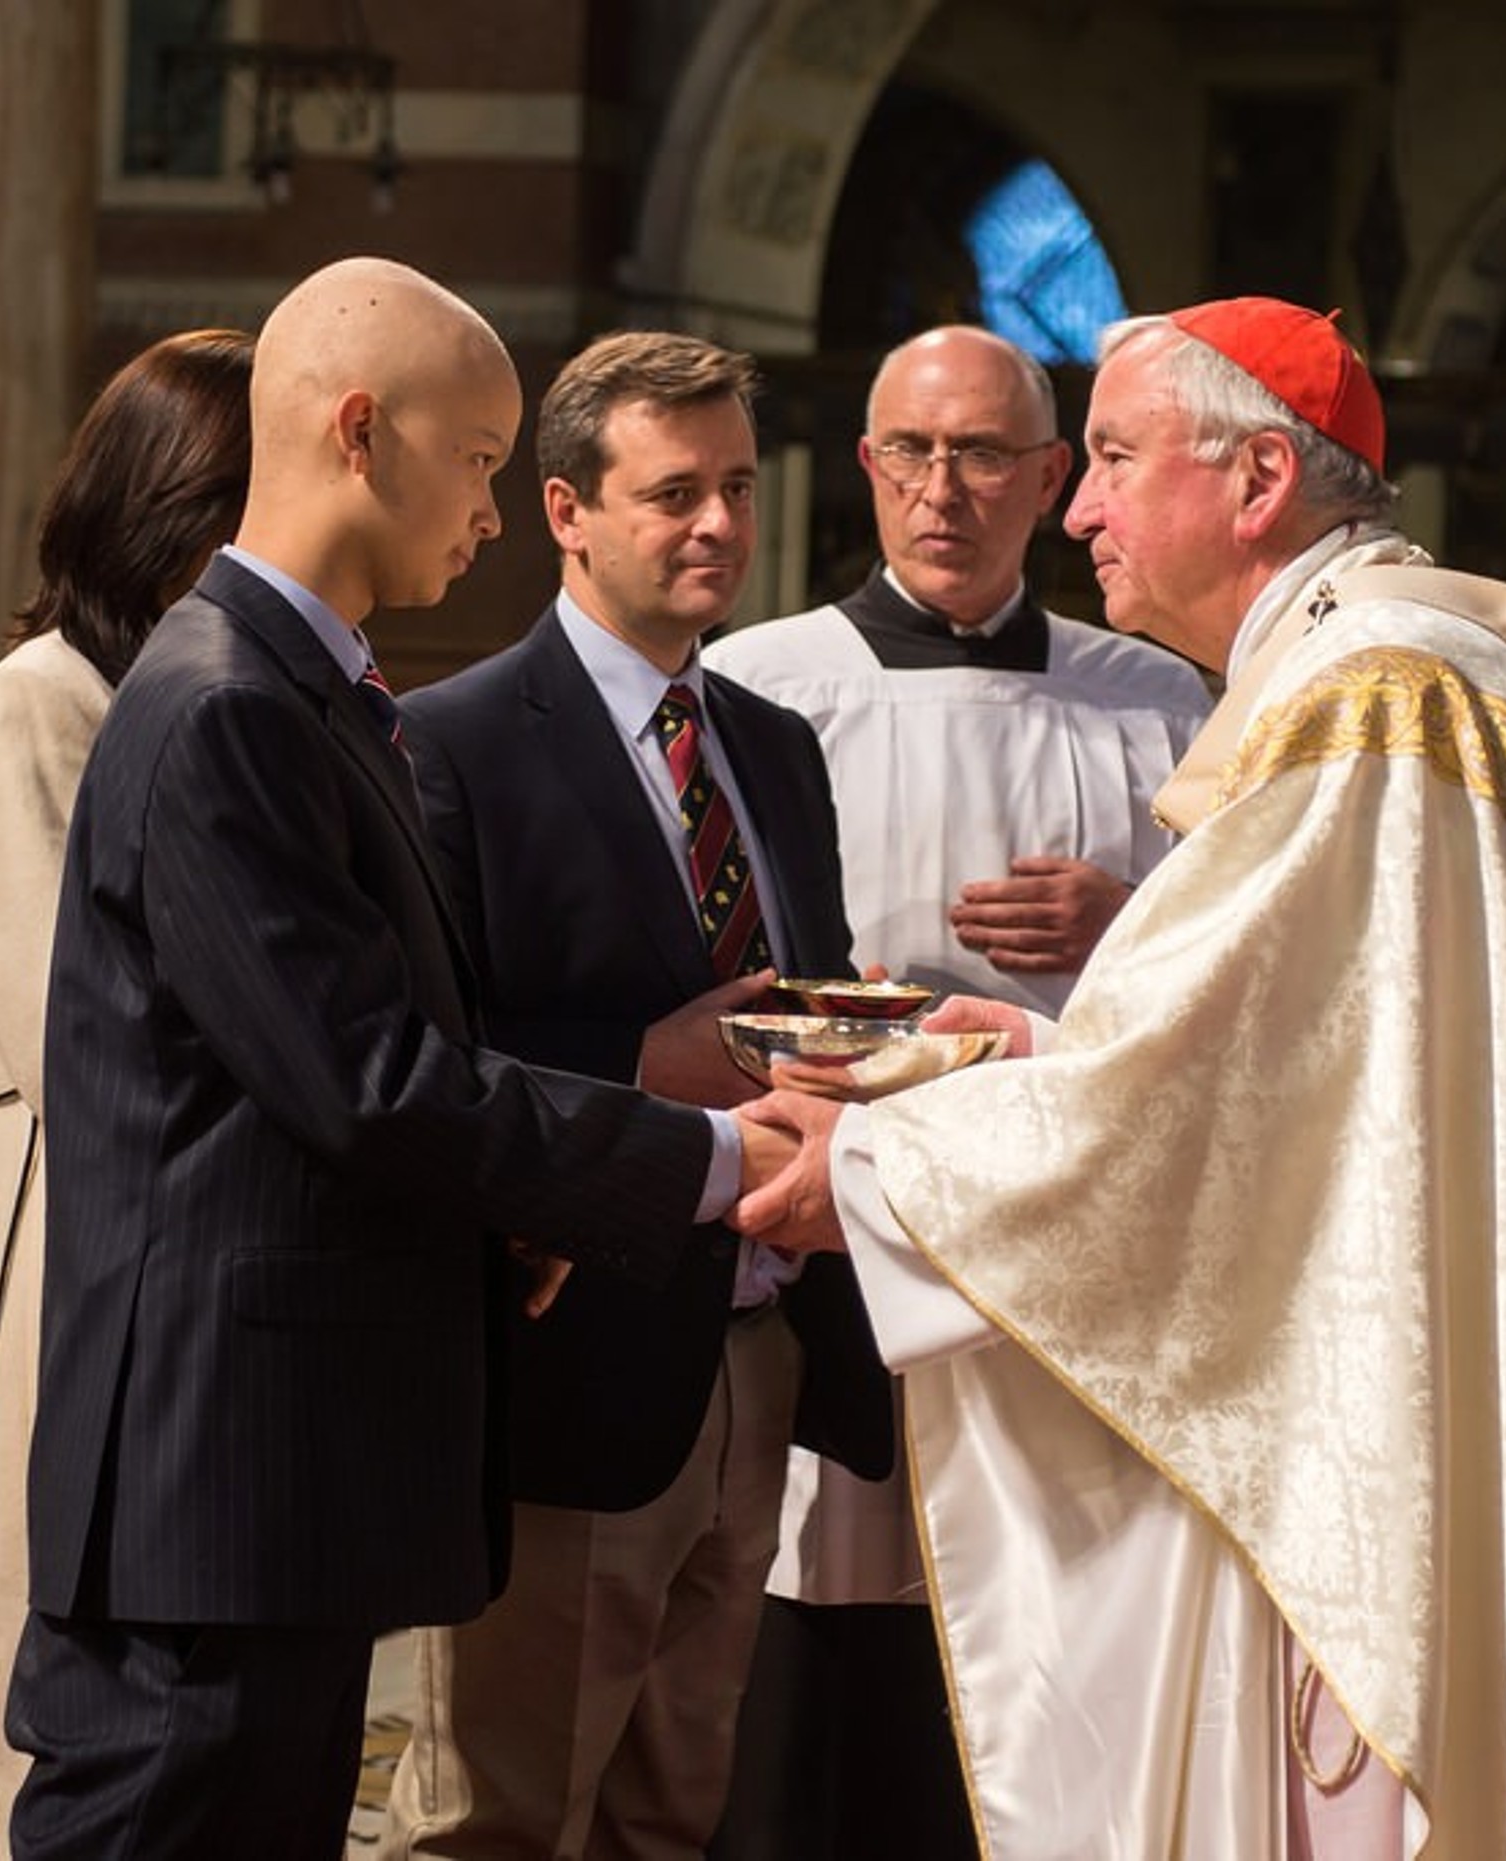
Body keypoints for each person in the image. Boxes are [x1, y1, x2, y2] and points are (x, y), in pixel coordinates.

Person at [734, 297, 1506, 1856]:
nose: (1080, 507)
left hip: (1362, 1440)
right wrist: (1035, 1050)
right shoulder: (1403, 670)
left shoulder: (1375, 697)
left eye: (1107, 456)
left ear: (1253, 484)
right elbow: (1295, 1081)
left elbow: (1194, 1118)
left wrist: (875, 1166)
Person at [3, 259, 788, 1861]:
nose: (499, 515)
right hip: (206, 1502)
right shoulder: (227, 705)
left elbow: (338, 1081)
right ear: (363, 433)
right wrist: (710, 1160)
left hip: (285, 1488)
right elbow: (367, 1083)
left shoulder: (322, 698)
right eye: (486, 460)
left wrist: (513, 1208)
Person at [377, 331, 892, 1861]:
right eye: (674, 492)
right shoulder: (450, 742)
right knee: (499, 1820)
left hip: (758, 1348)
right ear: (565, 509)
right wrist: (639, 1066)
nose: (720, 525)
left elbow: (813, 983)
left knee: (671, 1816)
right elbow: (418, 1059)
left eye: (736, 486)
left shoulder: (776, 748)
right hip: (574, 1358)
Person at [704, 324, 1210, 1858]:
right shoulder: (755, 681)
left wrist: (1126, 919)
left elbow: (1241, 989)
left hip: (1060, 1247)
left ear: (1054, 478)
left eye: (987, 453)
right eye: (911, 451)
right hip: (828, 1219)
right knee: (808, 1654)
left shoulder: (1164, 702)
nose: (945, 489)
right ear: (864, 464)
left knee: (1027, 1655)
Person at [0, 328, 254, 1861]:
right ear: (163, 505)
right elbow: (70, 1021)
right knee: (41, 1713)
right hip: (66, 1239)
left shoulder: (217, 696)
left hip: (178, 1265)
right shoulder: (35, 703)